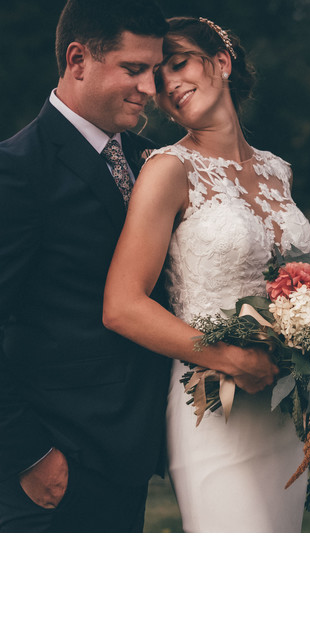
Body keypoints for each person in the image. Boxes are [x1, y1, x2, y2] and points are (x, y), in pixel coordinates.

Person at [103, 17, 310, 532]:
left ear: (221, 61)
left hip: (284, 409)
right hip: (211, 403)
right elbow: (122, 305)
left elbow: (298, 285)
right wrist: (228, 357)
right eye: (158, 77)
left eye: (178, 63)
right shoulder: (168, 169)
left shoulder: (277, 170)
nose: (168, 84)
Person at [0, 0, 172, 532]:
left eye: (155, 71)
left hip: (131, 457)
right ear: (78, 60)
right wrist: (30, 454)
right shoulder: (18, 171)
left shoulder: (153, 162)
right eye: (134, 69)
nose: (150, 87)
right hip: (56, 467)